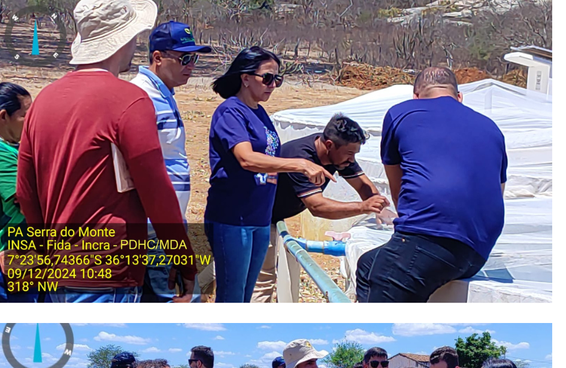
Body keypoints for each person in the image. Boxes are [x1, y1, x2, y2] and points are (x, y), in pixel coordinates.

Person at [16, 0, 196, 303]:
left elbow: (26, 193)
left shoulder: (43, 100)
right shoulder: (130, 99)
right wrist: (184, 258)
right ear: (124, 40)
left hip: (59, 268)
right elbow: (156, 191)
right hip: (109, 269)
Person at [356, 67, 508, 302]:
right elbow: (498, 190)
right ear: (459, 97)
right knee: (368, 263)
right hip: (478, 252)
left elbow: (398, 188)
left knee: (380, 275)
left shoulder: (401, 113)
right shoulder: (492, 128)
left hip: (430, 238)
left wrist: (406, 236)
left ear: (415, 96)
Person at [205, 47, 329, 302]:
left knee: (245, 296)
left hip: (259, 218)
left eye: (278, 79)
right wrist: (300, 164)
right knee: (231, 297)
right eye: (268, 78)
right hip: (232, 218)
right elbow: (247, 159)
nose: (273, 85)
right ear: (245, 77)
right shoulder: (231, 111)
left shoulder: (260, 112)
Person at [253, 115, 389, 302]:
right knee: (263, 281)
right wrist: (363, 207)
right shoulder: (300, 156)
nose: (352, 159)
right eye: (350, 153)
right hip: (256, 218)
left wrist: (379, 207)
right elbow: (317, 207)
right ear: (329, 144)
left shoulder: (340, 155)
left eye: (355, 154)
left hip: (271, 216)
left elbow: (364, 186)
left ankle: (198, 293)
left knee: (228, 268)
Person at [130, 21, 210, 302]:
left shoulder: (162, 94)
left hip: (170, 222)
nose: (191, 65)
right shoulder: (142, 96)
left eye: (195, 58)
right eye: (184, 58)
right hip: (156, 226)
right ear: (157, 57)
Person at [0, 82, 41, 303]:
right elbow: (25, 200)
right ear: (3, 116)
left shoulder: (14, 146)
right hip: (8, 260)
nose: (30, 122)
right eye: (24, 115)